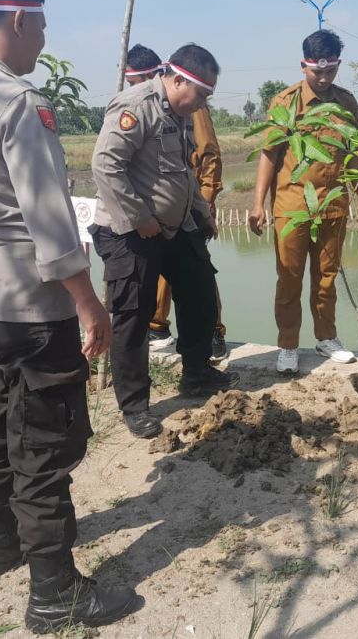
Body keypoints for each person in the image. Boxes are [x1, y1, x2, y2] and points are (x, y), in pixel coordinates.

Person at [0, 0, 139, 632]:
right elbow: (48, 222)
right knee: (45, 438)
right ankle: (54, 592)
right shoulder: (18, 101)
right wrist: (88, 301)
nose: (43, 41)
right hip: (30, 298)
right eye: (41, 27)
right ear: (18, 19)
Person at [91, 43, 237, 440]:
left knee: (201, 290)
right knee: (133, 316)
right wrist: (139, 218)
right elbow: (106, 166)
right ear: (177, 80)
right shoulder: (135, 106)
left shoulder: (182, 113)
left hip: (173, 226)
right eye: (202, 93)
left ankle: (196, 372)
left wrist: (201, 210)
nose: (204, 102)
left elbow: (182, 172)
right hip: (128, 230)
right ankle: (135, 405)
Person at [248, 29, 358, 375]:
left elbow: (356, 152)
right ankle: (288, 344)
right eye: (316, 71)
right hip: (291, 207)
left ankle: (326, 338)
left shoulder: (346, 103)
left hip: (333, 205)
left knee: (326, 278)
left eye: (330, 71)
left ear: (338, 66)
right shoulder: (284, 103)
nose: (323, 78)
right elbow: (270, 154)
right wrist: (258, 203)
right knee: (288, 279)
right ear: (303, 66)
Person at [121, 45, 230, 364]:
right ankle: (158, 327)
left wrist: (205, 206)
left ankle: (213, 333)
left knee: (200, 276)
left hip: (191, 208)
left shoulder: (192, 102)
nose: (136, 89)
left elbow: (208, 157)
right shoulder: (142, 106)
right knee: (159, 274)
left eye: (138, 81)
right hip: (153, 213)